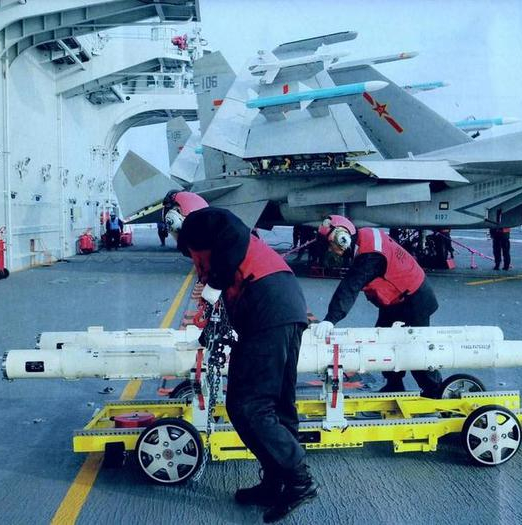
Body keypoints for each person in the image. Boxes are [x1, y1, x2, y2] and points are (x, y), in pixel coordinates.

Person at [162, 191, 317, 522]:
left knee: (248, 405)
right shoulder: (212, 247)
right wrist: (209, 328)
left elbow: (233, 228)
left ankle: (300, 482)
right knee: (278, 405)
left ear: (176, 216)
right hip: (285, 306)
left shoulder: (200, 222)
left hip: (267, 308)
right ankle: (276, 483)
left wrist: (215, 284)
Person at [313, 215, 442, 398]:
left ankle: (435, 391)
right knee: (383, 342)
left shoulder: (371, 256)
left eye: (330, 245)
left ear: (343, 239)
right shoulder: (365, 239)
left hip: (414, 299)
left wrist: (330, 320)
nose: (331, 250)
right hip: (397, 299)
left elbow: (350, 286)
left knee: (414, 348)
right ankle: (394, 385)